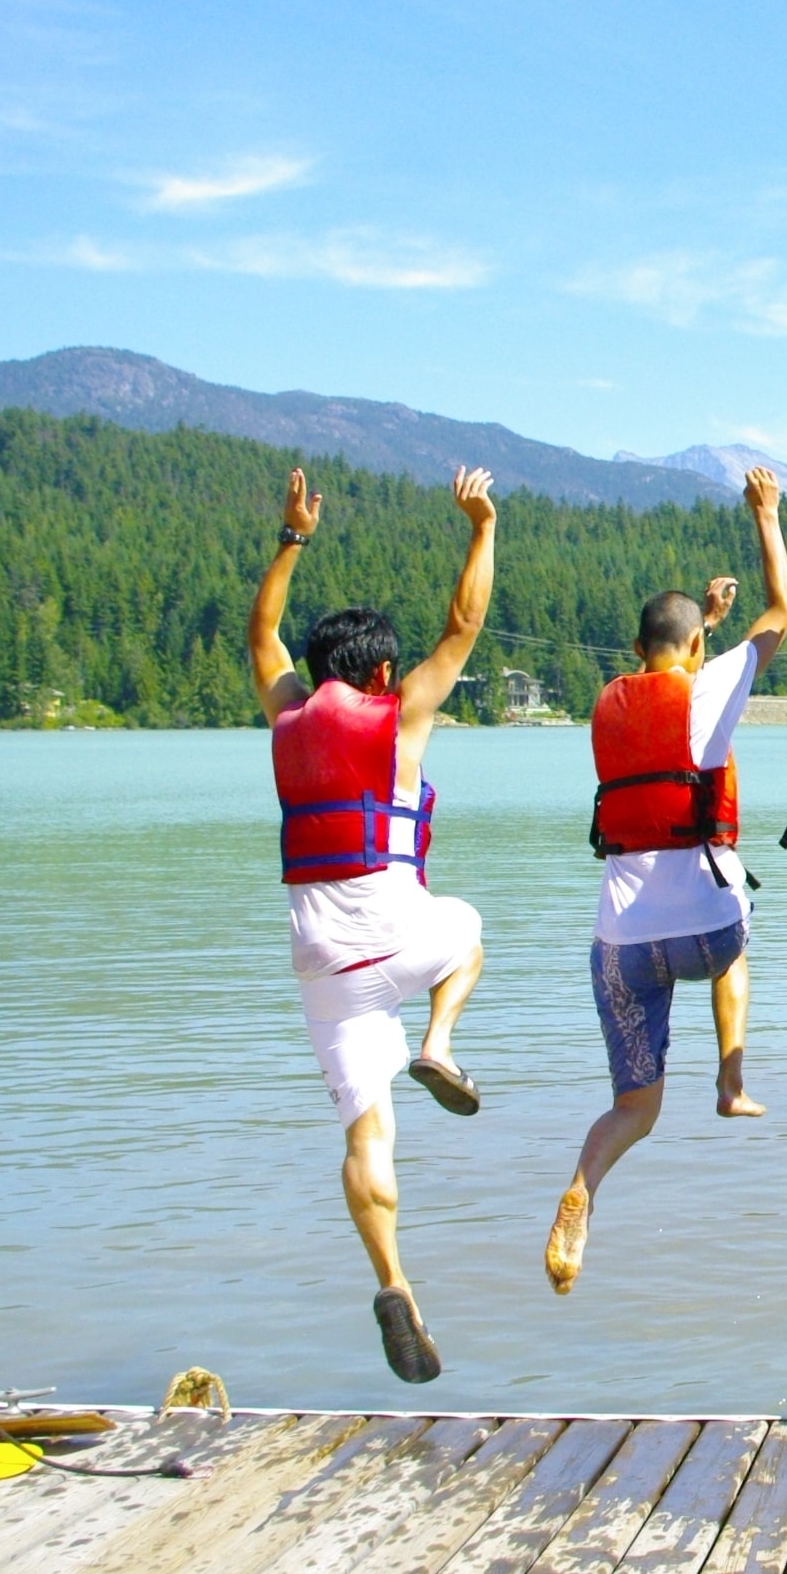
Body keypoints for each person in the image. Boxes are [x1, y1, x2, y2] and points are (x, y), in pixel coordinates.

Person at [248, 463, 496, 1384]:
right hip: (400, 936)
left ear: (316, 673)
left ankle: (394, 1281)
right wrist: (480, 527)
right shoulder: (401, 719)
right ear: (384, 673)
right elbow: (464, 626)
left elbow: (261, 631)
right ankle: (438, 1040)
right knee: (467, 930)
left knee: (366, 1134)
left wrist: (293, 536)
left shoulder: (284, 714)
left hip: (321, 966)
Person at [543, 467, 787, 1294]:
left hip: (619, 944)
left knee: (635, 1109)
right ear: (697, 648)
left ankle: (583, 1186)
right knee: (737, 936)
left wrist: (702, 617)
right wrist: (766, 515)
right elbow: (784, 611)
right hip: (701, 929)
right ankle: (732, 1081)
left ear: (634, 653)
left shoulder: (608, 701)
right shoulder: (711, 688)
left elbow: (675, 665)